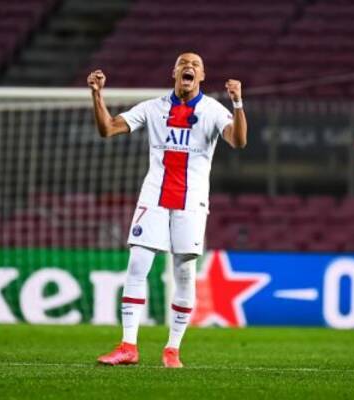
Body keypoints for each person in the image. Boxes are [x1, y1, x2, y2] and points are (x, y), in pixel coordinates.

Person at [88, 52, 247, 368]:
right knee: (137, 265)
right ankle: (128, 346)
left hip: (192, 200)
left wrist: (238, 103)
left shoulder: (213, 110)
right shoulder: (153, 107)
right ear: (173, 72)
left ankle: (172, 349)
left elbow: (238, 141)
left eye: (196, 64)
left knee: (184, 272)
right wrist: (97, 95)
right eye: (183, 63)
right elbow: (107, 129)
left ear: (202, 76)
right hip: (154, 197)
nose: (189, 66)